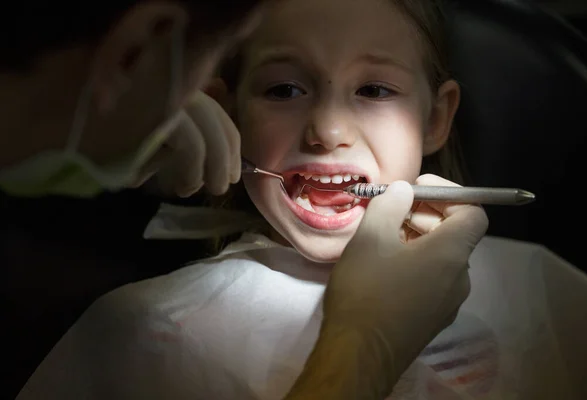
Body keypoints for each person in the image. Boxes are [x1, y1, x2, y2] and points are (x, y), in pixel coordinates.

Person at [14, 0, 489, 399]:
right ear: (228, 111)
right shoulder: (151, 333)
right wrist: (368, 346)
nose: (328, 130)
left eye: (374, 89)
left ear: (436, 118)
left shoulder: (532, 286)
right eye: (283, 89)